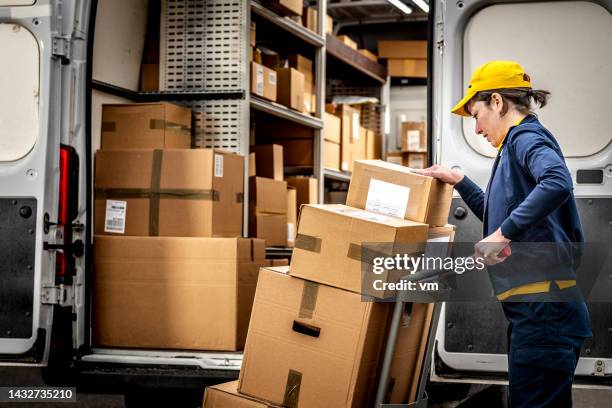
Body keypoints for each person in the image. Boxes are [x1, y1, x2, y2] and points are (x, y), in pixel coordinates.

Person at [414, 61, 591, 407]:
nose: (477, 128)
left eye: (476, 114)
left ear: (497, 102)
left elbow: (557, 181)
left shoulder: (525, 138)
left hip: (545, 314)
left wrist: (503, 235)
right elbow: (500, 218)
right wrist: (460, 182)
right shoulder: (514, 148)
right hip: (535, 313)